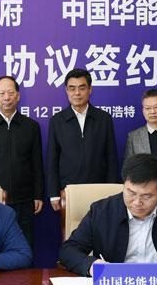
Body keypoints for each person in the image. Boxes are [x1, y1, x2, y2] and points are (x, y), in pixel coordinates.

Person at [59, 153, 157, 277]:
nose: (137, 202)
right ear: (124, 185)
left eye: (146, 196)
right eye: (131, 193)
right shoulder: (101, 211)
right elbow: (68, 251)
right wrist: (92, 265)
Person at [0, 76, 44, 249]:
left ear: (18, 96)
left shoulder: (31, 126)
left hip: (24, 199)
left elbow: (37, 164)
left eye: (11, 93)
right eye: (2, 93)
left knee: (24, 245)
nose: (7, 97)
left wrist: (38, 195)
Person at [47, 68, 119, 213]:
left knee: (99, 226)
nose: (77, 93)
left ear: (90, 89)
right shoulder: (57, 121)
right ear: (66, 91)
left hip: (99, 190)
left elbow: (111, 157)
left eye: (82, 88)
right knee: (71, 227)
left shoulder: (103, 119)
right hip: (68, 191)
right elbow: (52, 159)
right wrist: (54, 194)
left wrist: (112, 190)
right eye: (72, 88)